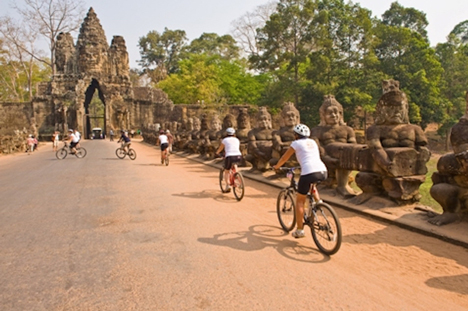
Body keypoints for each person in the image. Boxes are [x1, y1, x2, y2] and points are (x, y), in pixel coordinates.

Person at [273, 124, 328, 238]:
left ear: (296, 135)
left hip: (308, 172)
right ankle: (318, 203)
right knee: (312, 185)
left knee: (300, 202)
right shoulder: (313, 142)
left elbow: (284, 158)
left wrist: (277, 166)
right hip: (322, 171)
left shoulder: (296, 143)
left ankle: (299, 230)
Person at [215, 128, 242, 192]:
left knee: (227, 171)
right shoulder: (237, 139)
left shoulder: (225, 140)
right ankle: (237, 175)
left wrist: (217, 153)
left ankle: (228, 185)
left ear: (226, 133)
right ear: (234, 134)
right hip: (238, 155)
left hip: (229, 156)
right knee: (235, 165)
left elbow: (221, 148)